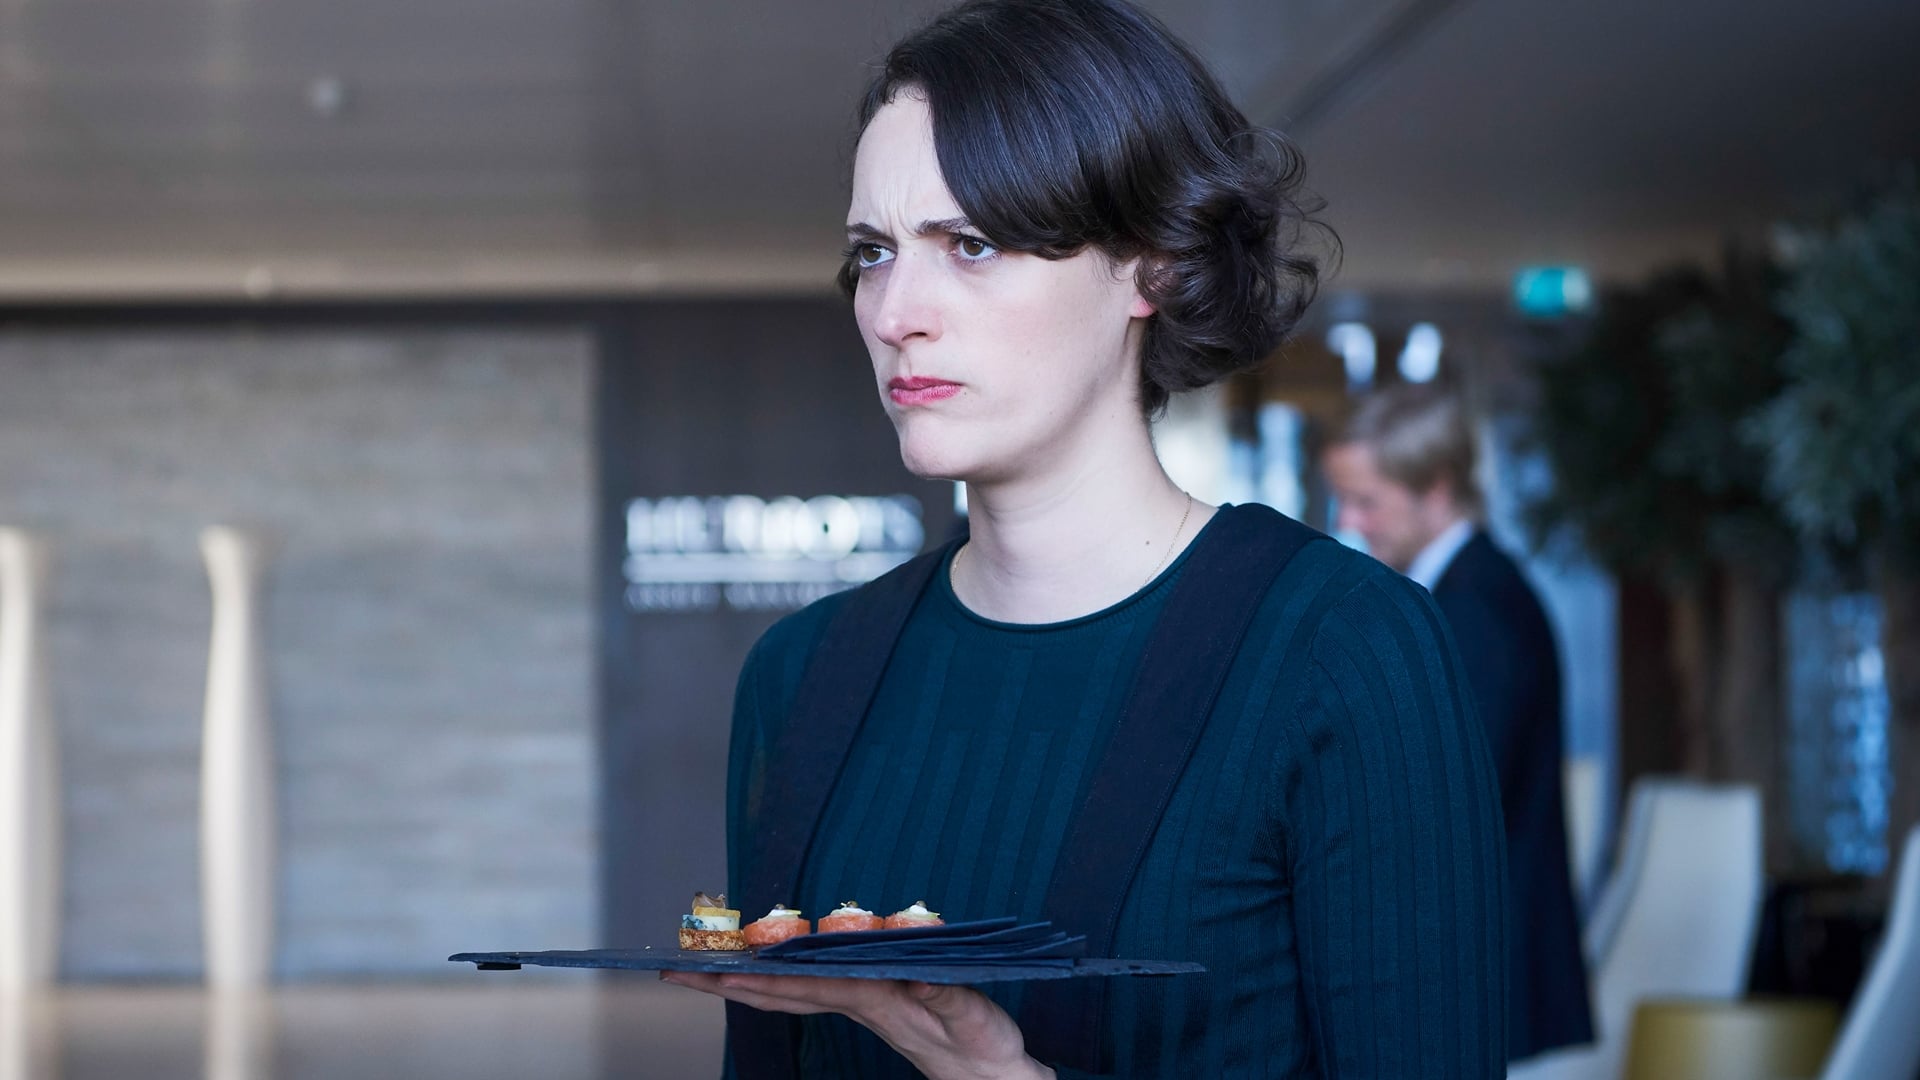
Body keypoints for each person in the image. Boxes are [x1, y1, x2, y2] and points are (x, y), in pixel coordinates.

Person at [663, 2, 1507, 1076]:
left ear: (1152, 266)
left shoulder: (1347, 652)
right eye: (874, 252)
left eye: (972, 244)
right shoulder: (801, 676)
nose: (894, 312)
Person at [1323, 383, 1595, 1064]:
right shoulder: (1468, 594)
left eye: (1367, 501)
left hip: (1489, 991)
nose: (1350, 522)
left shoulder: (1475, 612)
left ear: (1437, 488)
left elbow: (1443, 807)